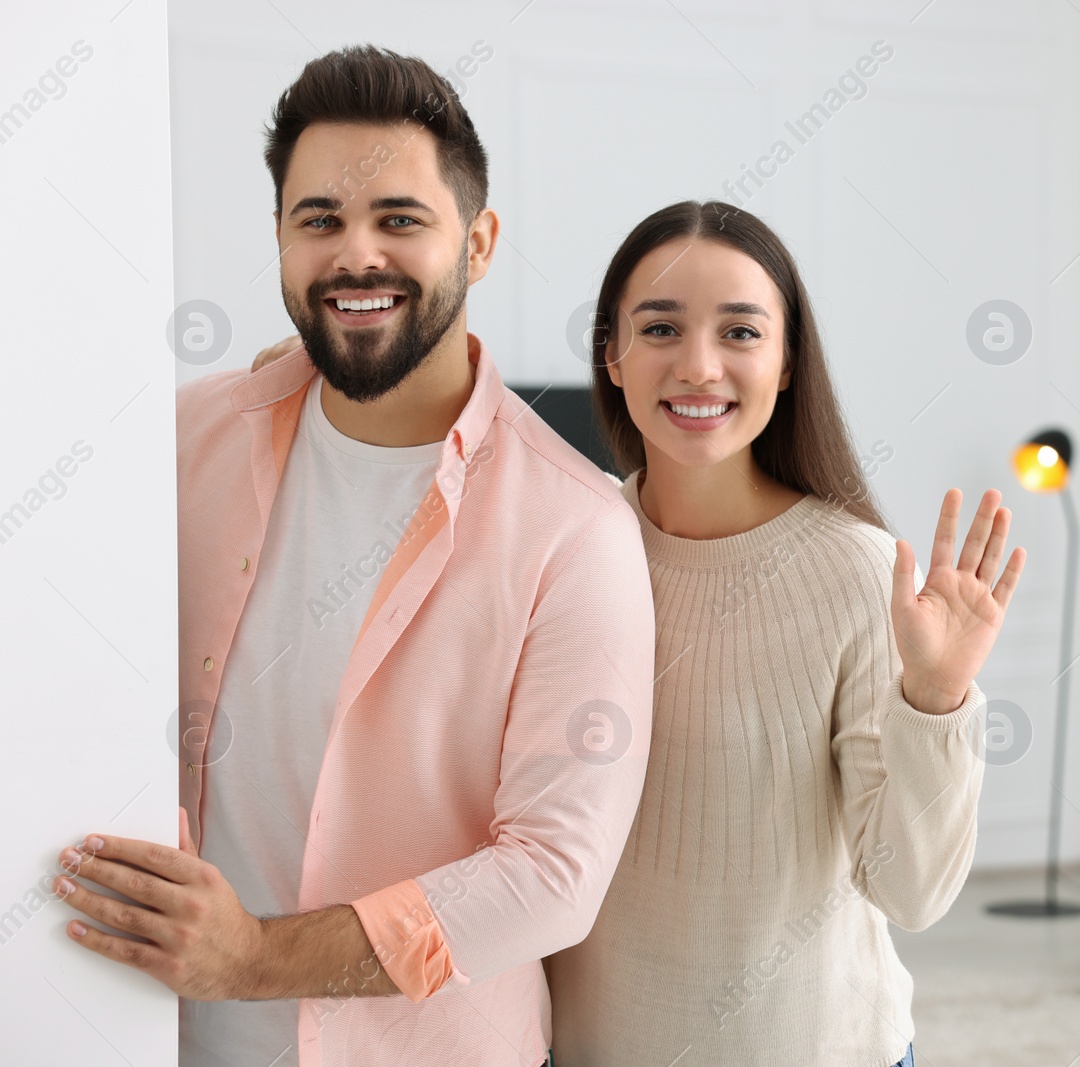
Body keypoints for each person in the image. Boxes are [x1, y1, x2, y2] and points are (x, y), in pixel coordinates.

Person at [251, 202, 1025, 1064]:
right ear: (611, 357)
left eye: (740, 331)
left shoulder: (856, 572)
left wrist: (937, 697)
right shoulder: (568, 538)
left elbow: (913, 892)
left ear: (787, 361)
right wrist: (338, 382)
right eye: (660, 327)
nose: (699, 367)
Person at [50, 46, 654, 1067]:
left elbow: (555, 871)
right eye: (319, 219)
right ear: (281, 239)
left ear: (479, 240)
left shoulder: (575, 527)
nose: (355, 254)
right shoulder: (178, 444)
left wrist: (252, 957)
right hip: (147, 1034)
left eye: (400, 220)